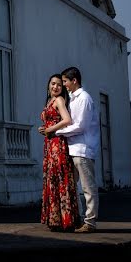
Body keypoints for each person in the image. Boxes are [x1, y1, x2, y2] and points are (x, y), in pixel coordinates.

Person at [56, 66, 100, 233]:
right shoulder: (73, 99)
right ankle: (80, 218)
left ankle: (90, 222)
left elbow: (80, 126)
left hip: (83, 149)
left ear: (74, 81)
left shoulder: (84, 99)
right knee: (73, 187)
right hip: (74, 149)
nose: (64, 84)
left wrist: (57, 131)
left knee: (88, 188)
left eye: (65, 81)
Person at [39, 74, 79, 231]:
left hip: (58, 144)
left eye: (59, 85)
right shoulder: (50, 101)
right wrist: (45, 129)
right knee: (52, 179)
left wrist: (50, 129)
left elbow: (67, 120)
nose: (55, 87)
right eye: (53, 84)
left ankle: (65, 220)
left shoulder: (59, 100)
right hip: (50, 144)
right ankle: (55, 219)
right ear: (48, 85)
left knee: (60, 178)